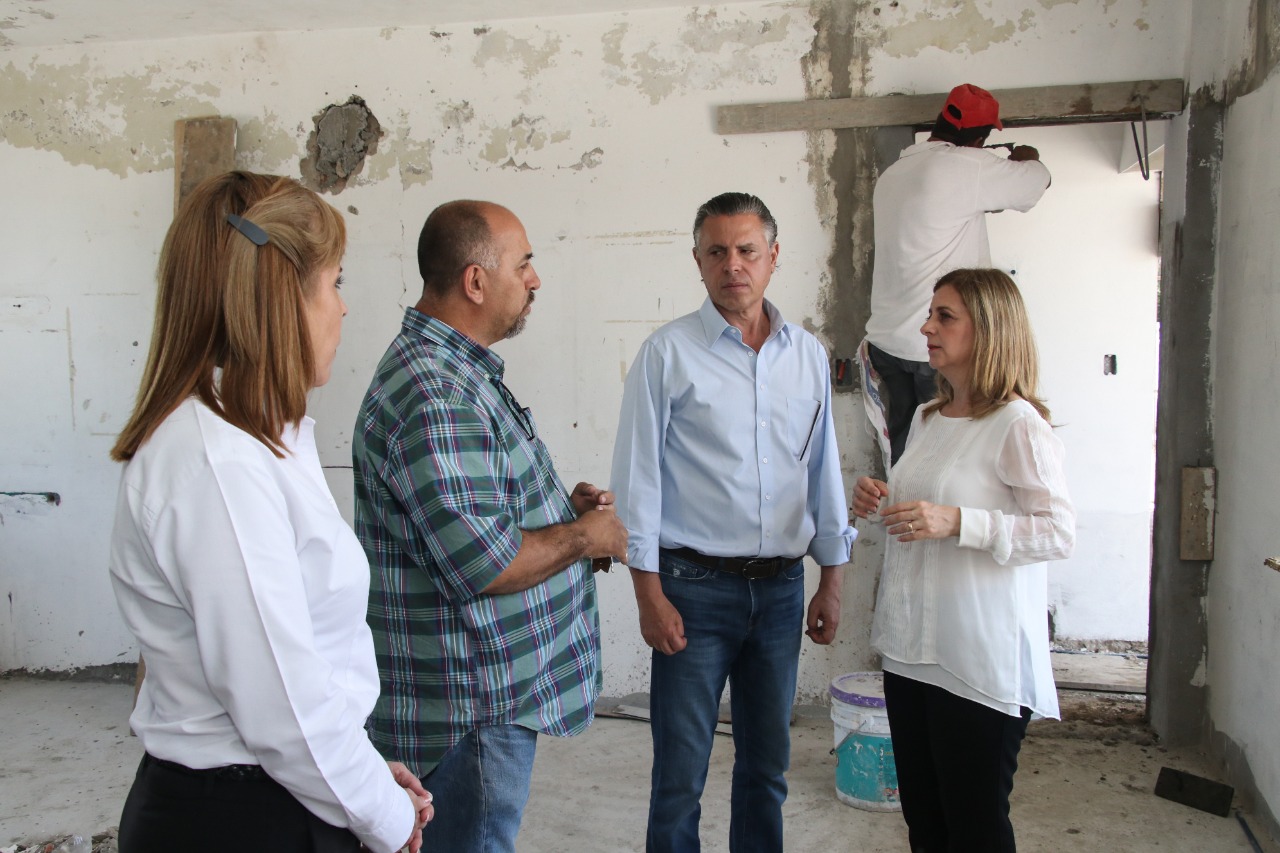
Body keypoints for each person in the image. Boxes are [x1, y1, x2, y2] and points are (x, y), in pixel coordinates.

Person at [108, 172, 432, 853]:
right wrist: (386, 814)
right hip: (240, 817)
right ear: (282, 295)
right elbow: (281, 705)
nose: (343, 307)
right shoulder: (219, 465)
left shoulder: (251, 443)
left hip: (275, 792)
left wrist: (358, 772)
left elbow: (300, 678)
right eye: (335, 282)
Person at [353, 199, 627, 852]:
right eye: (523, 263)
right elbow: (486, 562)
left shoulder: (455, 371)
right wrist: (586, 536)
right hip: (470, 715)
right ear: (476, 281)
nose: (535, 279)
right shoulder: (439, 395)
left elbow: (475, 511)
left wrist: (560, 512)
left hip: (478, 705)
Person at [611, 192, 856, 853]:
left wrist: (831, 580)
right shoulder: (667, 354)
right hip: (692, 592)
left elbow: (822, 472)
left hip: (780, 593)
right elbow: (637, 481)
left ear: (773, 257)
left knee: (766, 771)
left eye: (747, 250)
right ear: (697, 261)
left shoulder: (806, 355)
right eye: (716, 252)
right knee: (679, 775)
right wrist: (648, 595)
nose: (733, 266)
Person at [852, 268, 1075, 852]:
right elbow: (922, 510)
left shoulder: (1018, 425)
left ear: (989, 329)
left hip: (977, 662)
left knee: (976, 831)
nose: (926, 327)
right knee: (926, 827)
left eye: (944, 316)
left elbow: (1058, 533)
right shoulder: (928, 418)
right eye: (930, 314)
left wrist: (959, 523)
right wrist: (878, 498)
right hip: (910, 653)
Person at [864, 83, 1051, 466]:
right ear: (980, 139)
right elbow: (1038, 180)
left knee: (906, 456)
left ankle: (903, 503)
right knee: (952, 461)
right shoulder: (967, 166)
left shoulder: (894, 174)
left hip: (888, 344)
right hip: (937, 345)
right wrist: (1025, 156)